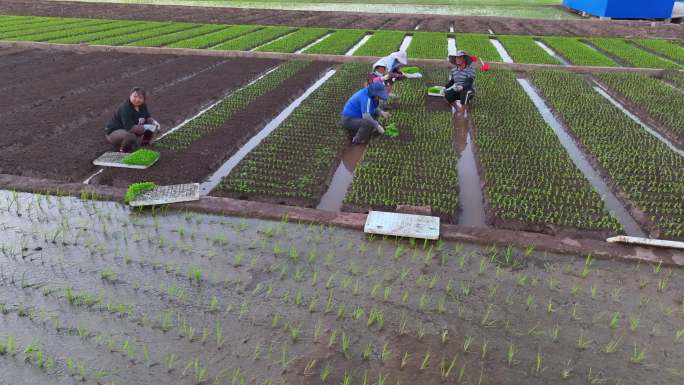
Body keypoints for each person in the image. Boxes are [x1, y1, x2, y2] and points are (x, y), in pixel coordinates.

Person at [105, 87, 160, 152]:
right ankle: (124, 151)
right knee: (131, 136)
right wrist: (145, 127)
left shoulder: (142, 105)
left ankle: (145, 144)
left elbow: (147, 117)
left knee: (151, 126)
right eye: (135, 96)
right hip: (114, 132)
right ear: (130, 96)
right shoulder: (125, 108)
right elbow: (129, 128)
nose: (137, 100)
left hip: (128, 129)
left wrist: (154, 122)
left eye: (140, 98)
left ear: (144, 99)